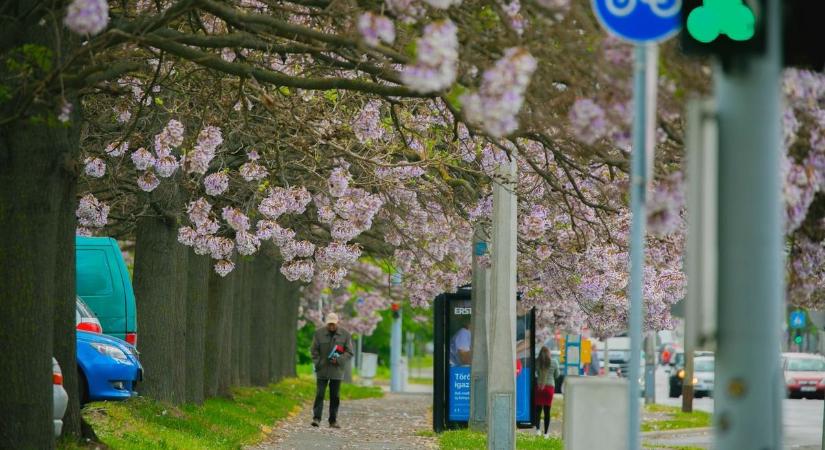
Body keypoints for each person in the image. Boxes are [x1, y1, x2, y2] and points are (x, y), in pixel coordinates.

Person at [310, 312, 353, 428]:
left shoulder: (345, 335)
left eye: (333, 324)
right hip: (322, 369)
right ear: (326, 323)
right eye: (329, 324)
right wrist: (317, 363)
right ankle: (316, 418)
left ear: (337, 323)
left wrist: (339, 359)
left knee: (335, 396)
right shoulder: (318, 334)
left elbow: (349, 352)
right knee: (320, 394)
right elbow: (314, 351)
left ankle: (333, 420)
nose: (331, 326)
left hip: (337, 370)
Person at [534, 346, 558, 438]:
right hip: (549, 389)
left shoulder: (537, 362)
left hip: (539, 388)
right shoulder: (554, 362)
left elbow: (536, 373)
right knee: (547, 411)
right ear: (549, 353)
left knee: (538, 410)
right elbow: (557, 374)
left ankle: (538, 430)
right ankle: (546, 433)